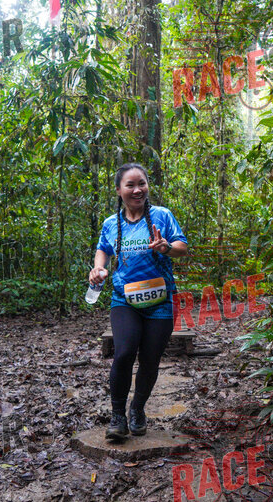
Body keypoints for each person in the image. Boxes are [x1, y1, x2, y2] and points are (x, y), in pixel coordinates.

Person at [89, 163, 188, 442]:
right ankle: (117, 416)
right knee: (124, 353)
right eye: (130, 185)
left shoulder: (162, 216)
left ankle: (137, 409)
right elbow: (102, 249)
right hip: (124, 300)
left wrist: (166, 247)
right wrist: (99, 268)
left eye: (141, 183)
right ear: (118, 190)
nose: (137, 190)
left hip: (161, 301)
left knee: (150, 359)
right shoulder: (111, 223)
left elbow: (182, 248)